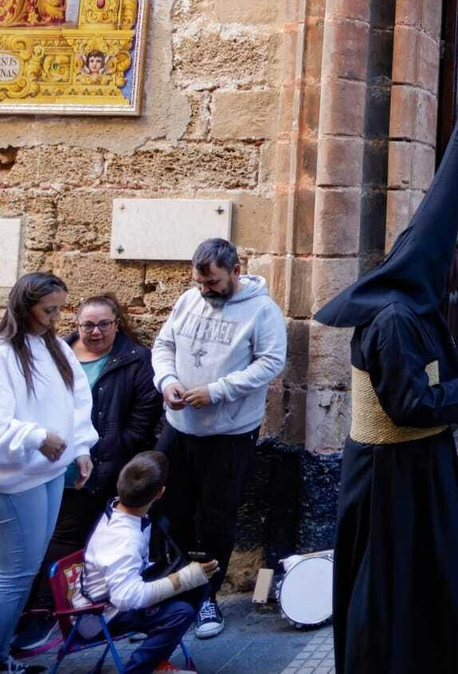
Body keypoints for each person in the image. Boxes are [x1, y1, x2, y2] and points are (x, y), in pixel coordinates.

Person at [315, 51, 458, 674]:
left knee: (423, 583)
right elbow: (409, 402)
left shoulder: (411, 312)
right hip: (395, 476)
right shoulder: (393, 319)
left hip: (417, 467)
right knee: (391, 589)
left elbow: (426, 378)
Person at [151, 238, 287, 639]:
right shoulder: (187, 301)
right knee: (169, 508)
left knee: (217, 516)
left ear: (235, 271)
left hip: (228, 433)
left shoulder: (262, 310)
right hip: (179, 427)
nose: (205, 290)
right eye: (199, 282)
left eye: (212, 282)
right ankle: (175, 586)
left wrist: (219, 390)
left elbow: (272, 362)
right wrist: (168, 381)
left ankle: (207, 595)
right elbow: (164, 344)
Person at [0, 272, 97, 674]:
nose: (55, 318)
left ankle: (1, 659)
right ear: (24, 307)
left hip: (49, 471)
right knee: (13, 578)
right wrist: (37, 436)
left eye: (59, 309)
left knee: (27, 573)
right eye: (47, 310)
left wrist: (81, 447)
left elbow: (76, 399)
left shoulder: (54, 346)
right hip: (12, 478)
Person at [20, 293, 163, 651]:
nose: (95, 332)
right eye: (87, 324)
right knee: (47, 538)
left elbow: (143, 417)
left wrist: (110, 454)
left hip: (106, 464)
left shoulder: (135, 359)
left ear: (117, 324)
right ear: (75, 324)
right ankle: (43, 610)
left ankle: (62, 612)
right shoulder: (57, 354)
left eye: (104, 324)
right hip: (51, 461)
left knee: (77, 539)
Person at [77, 451, 216, 674]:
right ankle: (140, 669)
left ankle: (158, 663)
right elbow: (126, 598)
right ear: (160, 493)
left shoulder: (122, 509)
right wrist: (182, 579)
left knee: (201, 585)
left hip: (115, 597)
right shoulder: (124, 540)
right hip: (100, 615)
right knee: (180, 611)